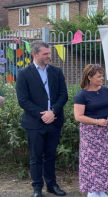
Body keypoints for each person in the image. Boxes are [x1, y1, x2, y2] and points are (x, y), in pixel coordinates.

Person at [16, 41, 68, 197]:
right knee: (36, 157)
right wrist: (43, 114)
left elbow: (63, 95)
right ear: (35, 54)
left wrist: (52, 112)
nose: (48, 56)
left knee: (51, 156)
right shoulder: (23, 74)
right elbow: (23, 100)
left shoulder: (56, 72)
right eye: (45, 53)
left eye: (49, 53)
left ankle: (52, 185)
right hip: (34, 123)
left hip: (55, 120)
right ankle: (37, 188)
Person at [73, 64, 108, 197]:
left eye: (102, 75)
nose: (102, 78)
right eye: (99, 76)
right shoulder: (82, 95)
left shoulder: (105, 91)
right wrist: (97, 121)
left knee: (104, 161)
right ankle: (91, 191)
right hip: (90, 133)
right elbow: (78, 116)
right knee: (91, 162)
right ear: (89, 77)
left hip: (104, 131)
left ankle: (100, 189)